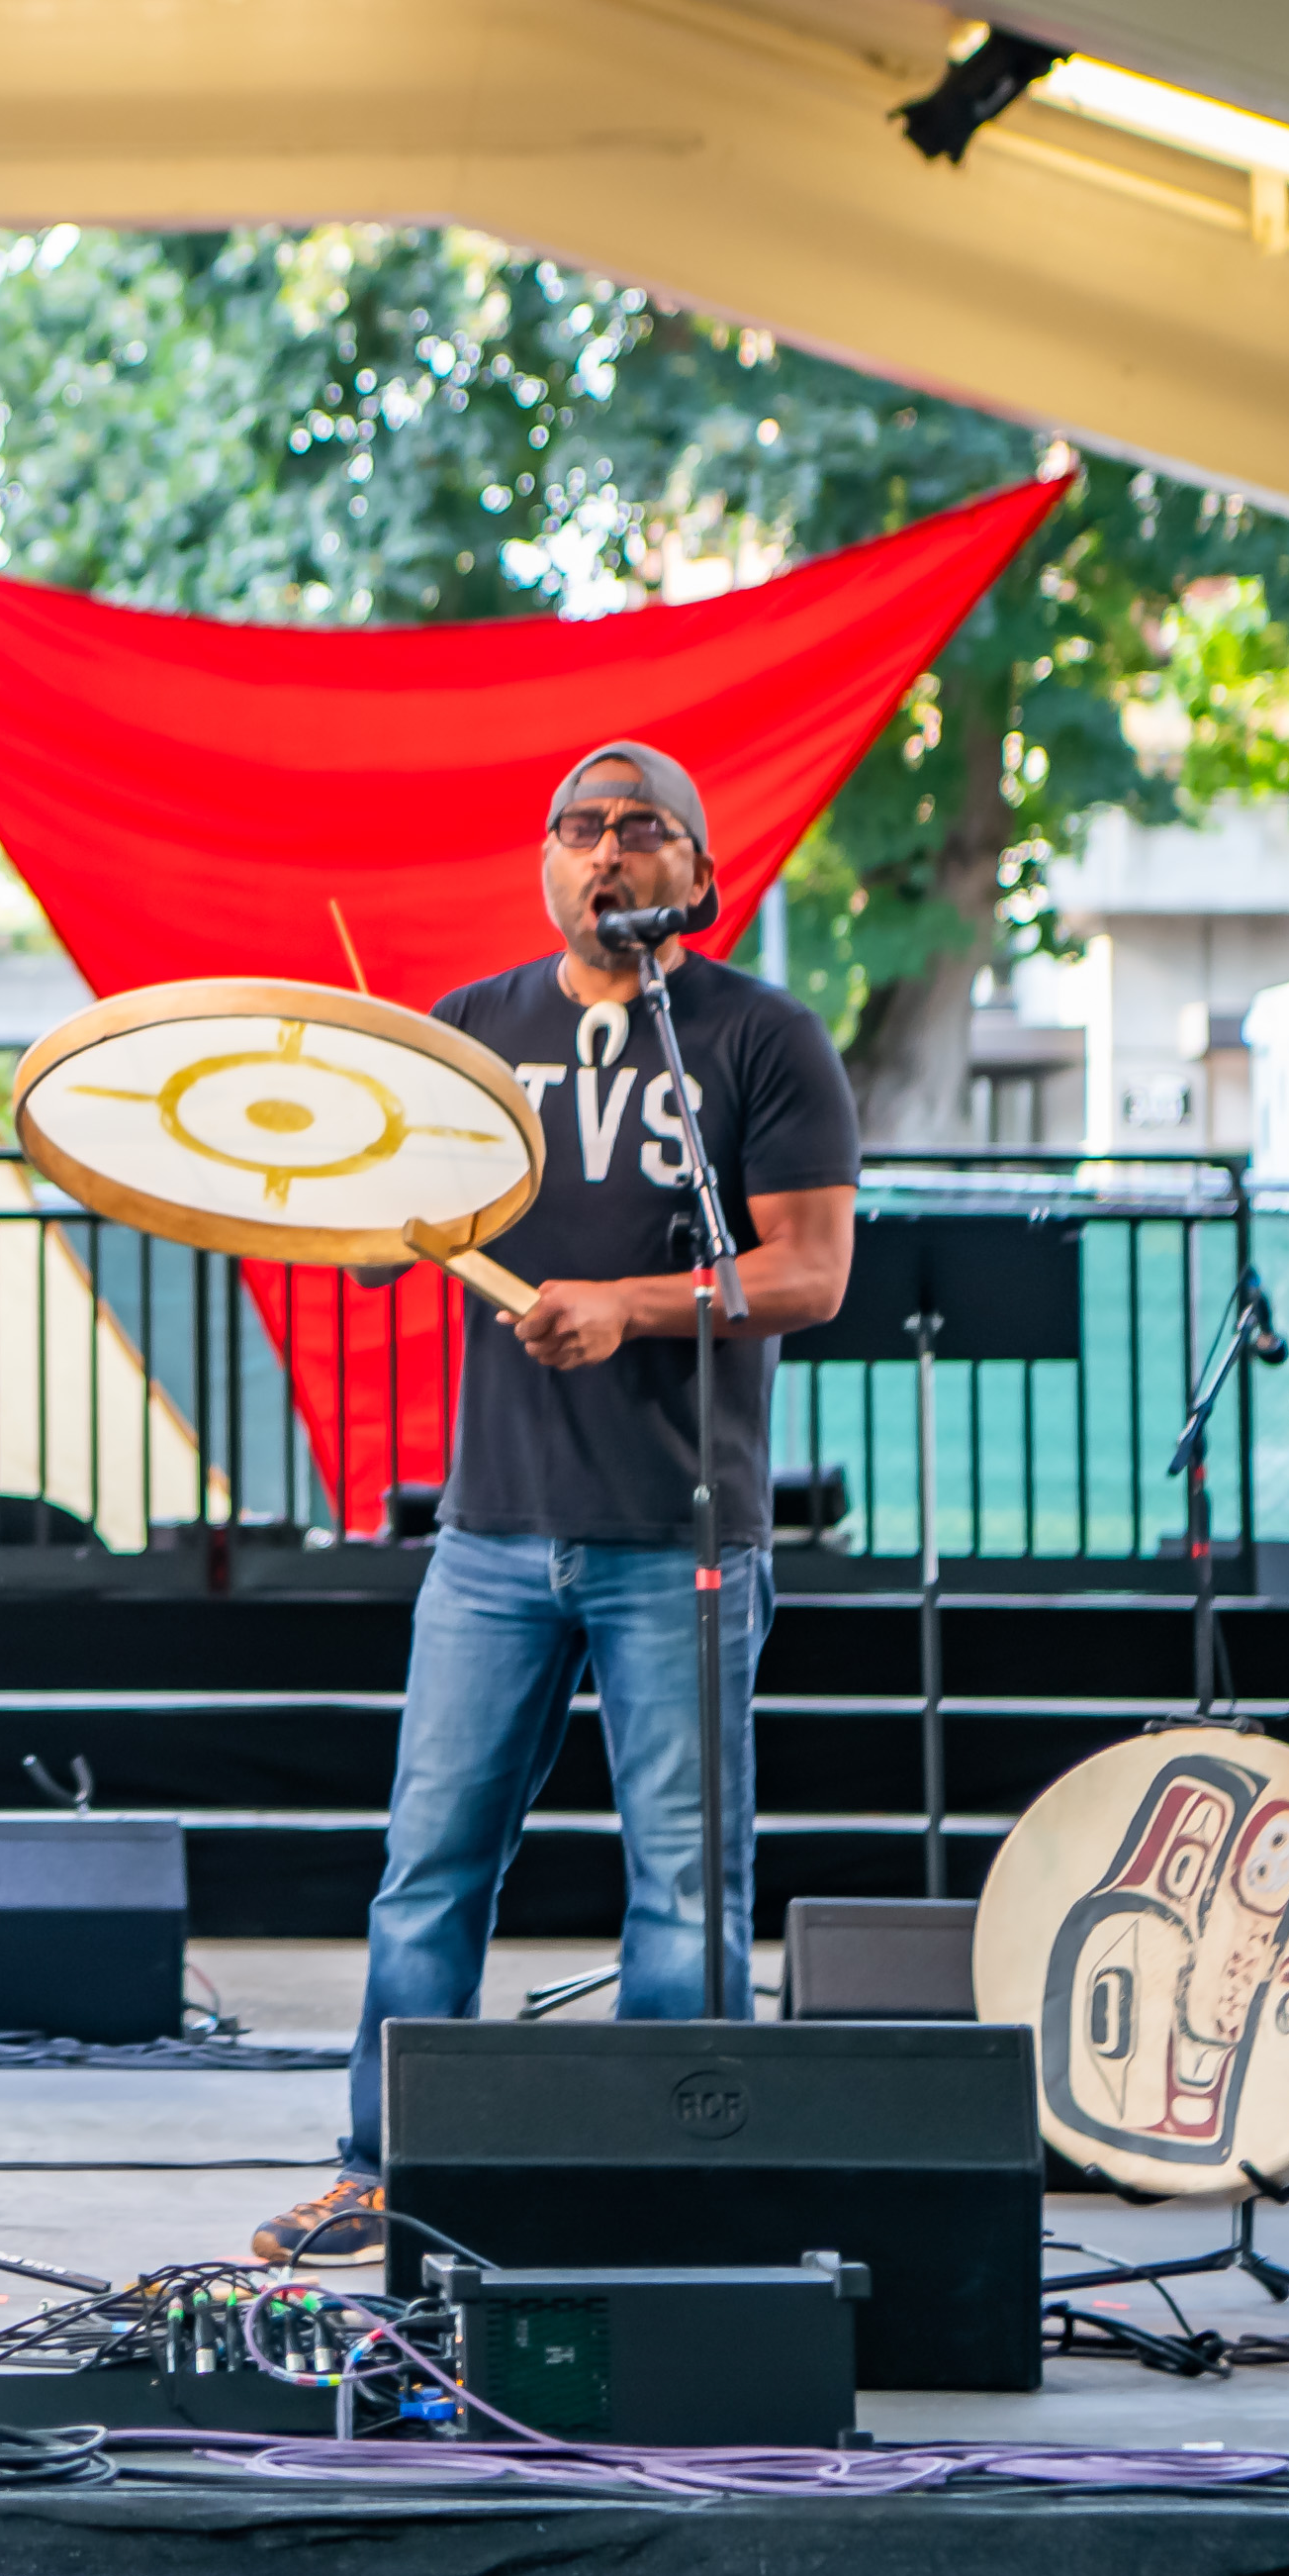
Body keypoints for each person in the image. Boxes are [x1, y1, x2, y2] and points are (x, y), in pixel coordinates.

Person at [255, 741, 857, 2269]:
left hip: (682, 1536)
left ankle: (665, 2183)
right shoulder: (472, 1031)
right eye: (580, 828)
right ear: (544, 865)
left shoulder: (761, 1039)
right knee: (429, 1869)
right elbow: (389, 1234)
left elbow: (808, 1273)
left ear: (696, 873)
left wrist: (630, 1307)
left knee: (684, 1889)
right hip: (493, 1533)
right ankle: (385, 2173)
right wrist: (347, 1203)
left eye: (642, 829)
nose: (608, 852)